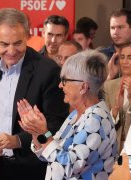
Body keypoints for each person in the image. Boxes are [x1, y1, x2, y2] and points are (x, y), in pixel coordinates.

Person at [0, 8, 69, 180]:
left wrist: (18, 140)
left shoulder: (48, 71)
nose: (11, 50)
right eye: (4, 44)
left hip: (33, 167)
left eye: (18, 43)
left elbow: (57, 124)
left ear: (28, 36)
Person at [18, 50, 118, 179]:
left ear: (83, 87)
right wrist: (38, 133)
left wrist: (44, 134)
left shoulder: (95, 120)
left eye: (64, 80)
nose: (60, 85)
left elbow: (68, 167)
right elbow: (52, 151)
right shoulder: (76, 114)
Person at [104, 40, 131, 152]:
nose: (124, 62)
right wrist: (115, 109)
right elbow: (104, 125)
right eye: (122, 57)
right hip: (114, 149)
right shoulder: (109, 86)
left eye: (130, 57)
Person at [101, 9, 131, 80]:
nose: (115, 32)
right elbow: (92, 89)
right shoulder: (101, 56)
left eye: (120, 27)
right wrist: (110, 77)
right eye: (112, 28)